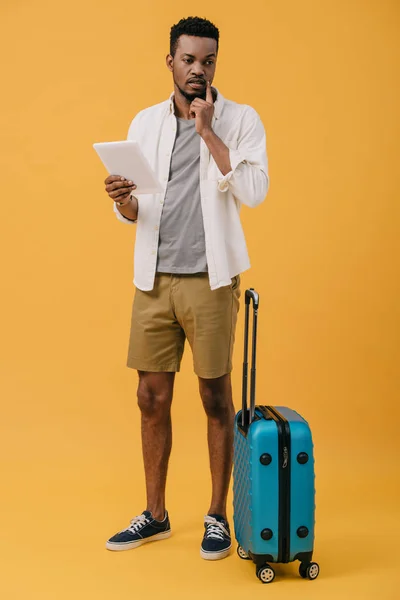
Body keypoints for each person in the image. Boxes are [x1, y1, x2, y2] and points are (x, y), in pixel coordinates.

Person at [104, 16, 269, 560]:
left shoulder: (240, 120)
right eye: (189, 60)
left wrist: (208, 132)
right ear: (170, 61)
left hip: (210, 281)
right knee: (150, 397)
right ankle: (155, 514)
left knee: (215, 397)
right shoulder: (145, 122)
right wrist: (122, 200)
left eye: (209, 61)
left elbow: (253, 190)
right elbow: (136, 210)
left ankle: (217, 516)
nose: (199, 70)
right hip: (153, 280)